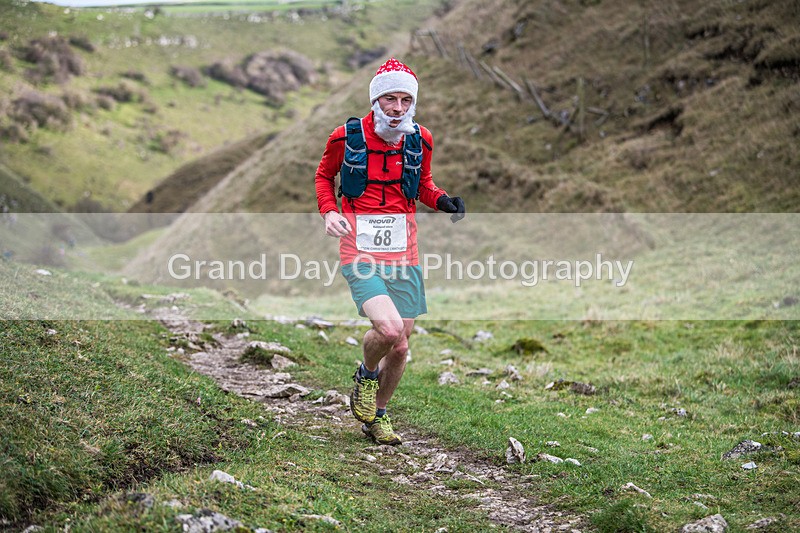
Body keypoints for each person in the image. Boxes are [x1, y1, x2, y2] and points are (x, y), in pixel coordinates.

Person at [314, 58, 465, 445]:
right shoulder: (345, 137)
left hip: (404, 251)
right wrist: (329, 212)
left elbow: (424, 184)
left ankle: (377, 416)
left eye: (405, 100)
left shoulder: (421, 139)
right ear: (375, 100)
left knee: (400, 346)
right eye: (390, 99)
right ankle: (366, 374)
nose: (398, 108)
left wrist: (443, 201)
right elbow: (324, 176)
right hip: (359, 249)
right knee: (390, 328)